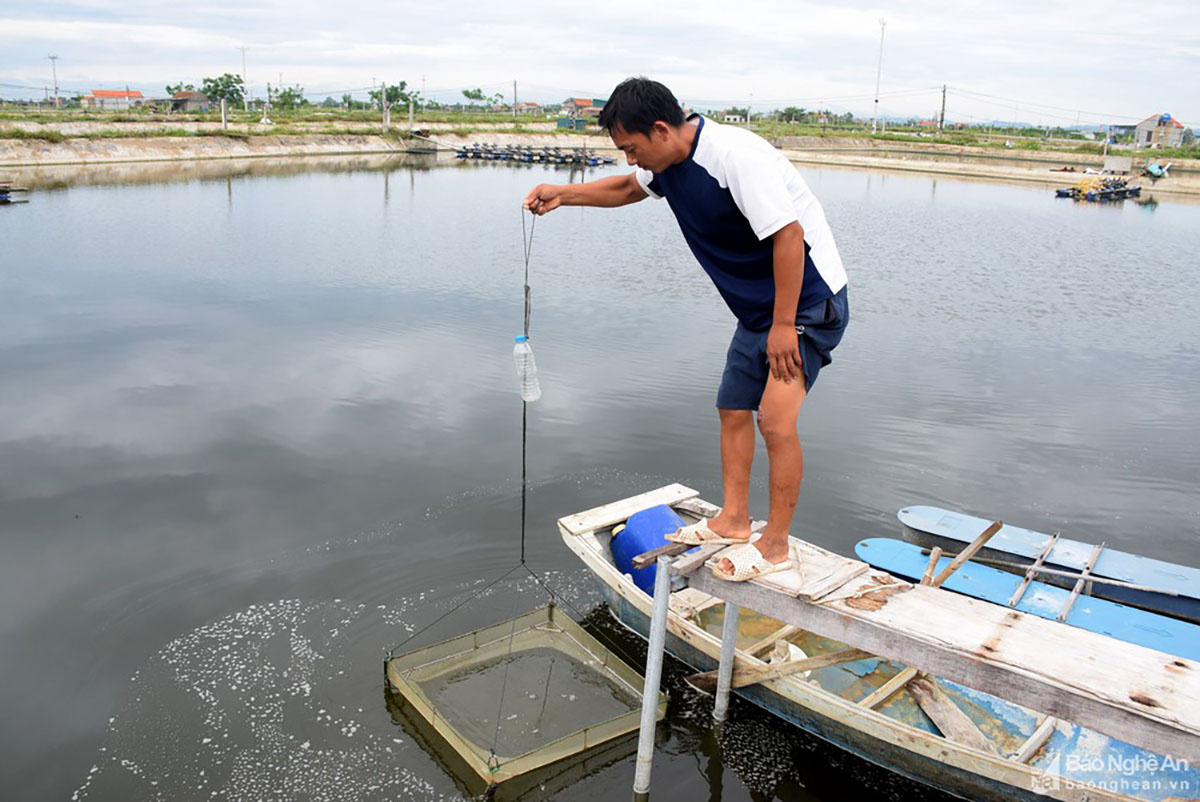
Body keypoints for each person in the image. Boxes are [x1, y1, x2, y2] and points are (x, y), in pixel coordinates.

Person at [523, 77, 848, 582]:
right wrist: (564, 193)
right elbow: (629, 188)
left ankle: (776, 545)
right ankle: (735, 521)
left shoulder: (734, 156)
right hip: (760, 311)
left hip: (806, 302)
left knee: (776, 421)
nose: (631, 160)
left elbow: (789, 236)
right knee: (732, 408)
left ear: (659, 129)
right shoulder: (666, 162)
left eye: (632, 148)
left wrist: (785, 325)